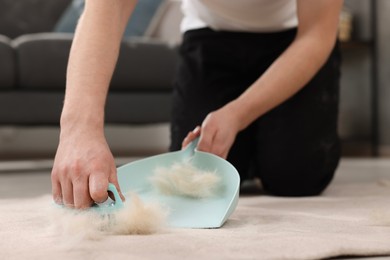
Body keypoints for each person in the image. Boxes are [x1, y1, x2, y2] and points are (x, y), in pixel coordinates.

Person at [51, 0, 344, 209]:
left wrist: (238, 114)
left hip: (294, 40)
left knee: (295, 177)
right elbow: (108, 7)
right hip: (210, 38)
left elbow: (317, 34)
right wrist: (79, 130)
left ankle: (265, 144)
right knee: (201, 178)